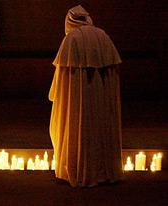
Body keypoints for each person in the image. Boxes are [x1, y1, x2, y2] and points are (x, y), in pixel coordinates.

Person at [49, 5, 123, 187]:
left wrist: (57, 96)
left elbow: (61, 78)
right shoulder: (103, 36)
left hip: (76, 101)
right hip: (100, 100)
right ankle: (103, 170)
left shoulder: (71, 40)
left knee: (76, 126)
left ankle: (76, 167)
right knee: (99, 127)